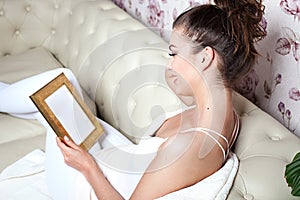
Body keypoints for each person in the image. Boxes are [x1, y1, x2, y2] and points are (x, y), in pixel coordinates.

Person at [0, 0, 266, 199]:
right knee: (63, 82)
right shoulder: (220, 110)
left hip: (88, 190)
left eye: (174, 53)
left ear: (206, 57)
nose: (170, 63)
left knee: (52, 94)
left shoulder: (193, 145)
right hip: (117, 166)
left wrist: (86, 165)